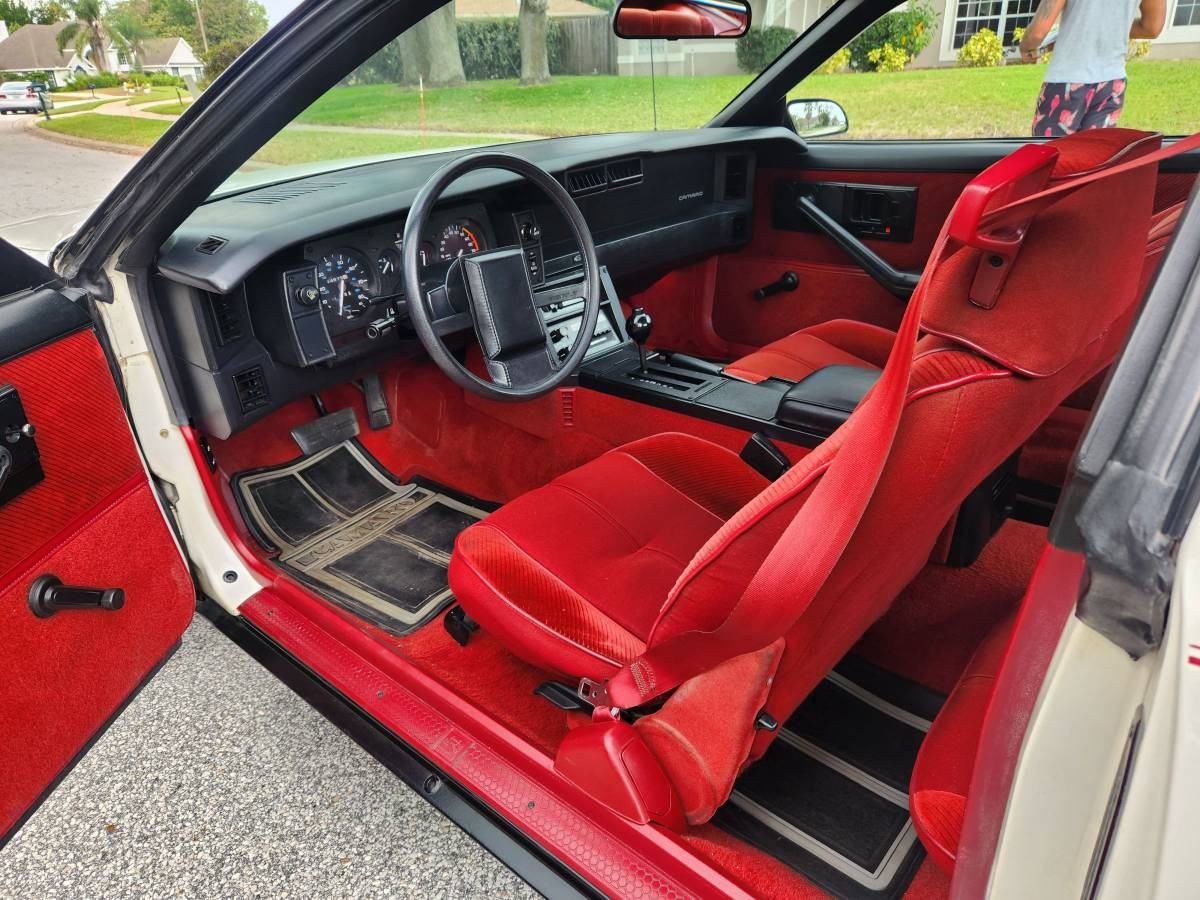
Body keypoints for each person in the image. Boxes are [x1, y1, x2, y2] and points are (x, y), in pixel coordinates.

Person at [1019, 0, 1166, 137]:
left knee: (1049, 156)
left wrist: (1026, 47)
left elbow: (1038, 32)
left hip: (1067, 80)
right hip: (1112, 82)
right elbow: (1151, 28)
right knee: (1095, 158)